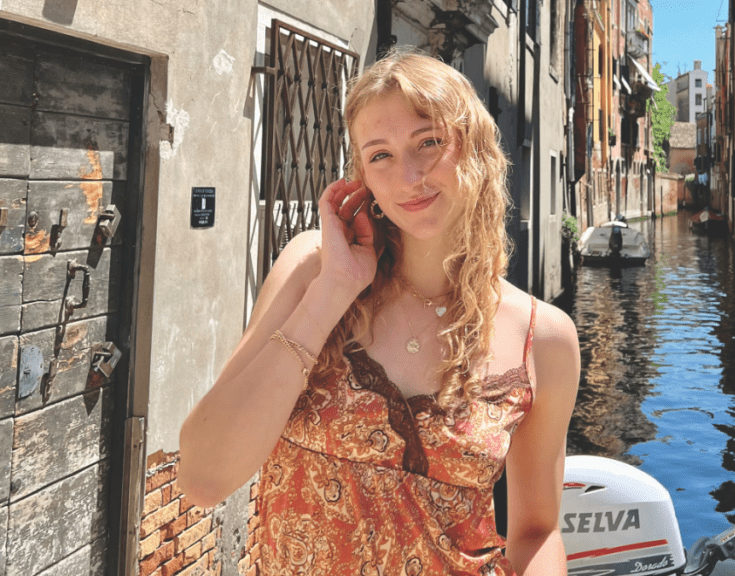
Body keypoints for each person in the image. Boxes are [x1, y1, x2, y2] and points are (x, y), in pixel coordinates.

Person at [178, 48, 581, 576]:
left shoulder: (543, 338)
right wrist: (333, 292)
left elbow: (536, 531)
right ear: (361, 175)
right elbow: (204, 478)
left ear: (476, 150)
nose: (408, 176)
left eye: (429, 142)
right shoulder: (310, 272)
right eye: (380, 155)